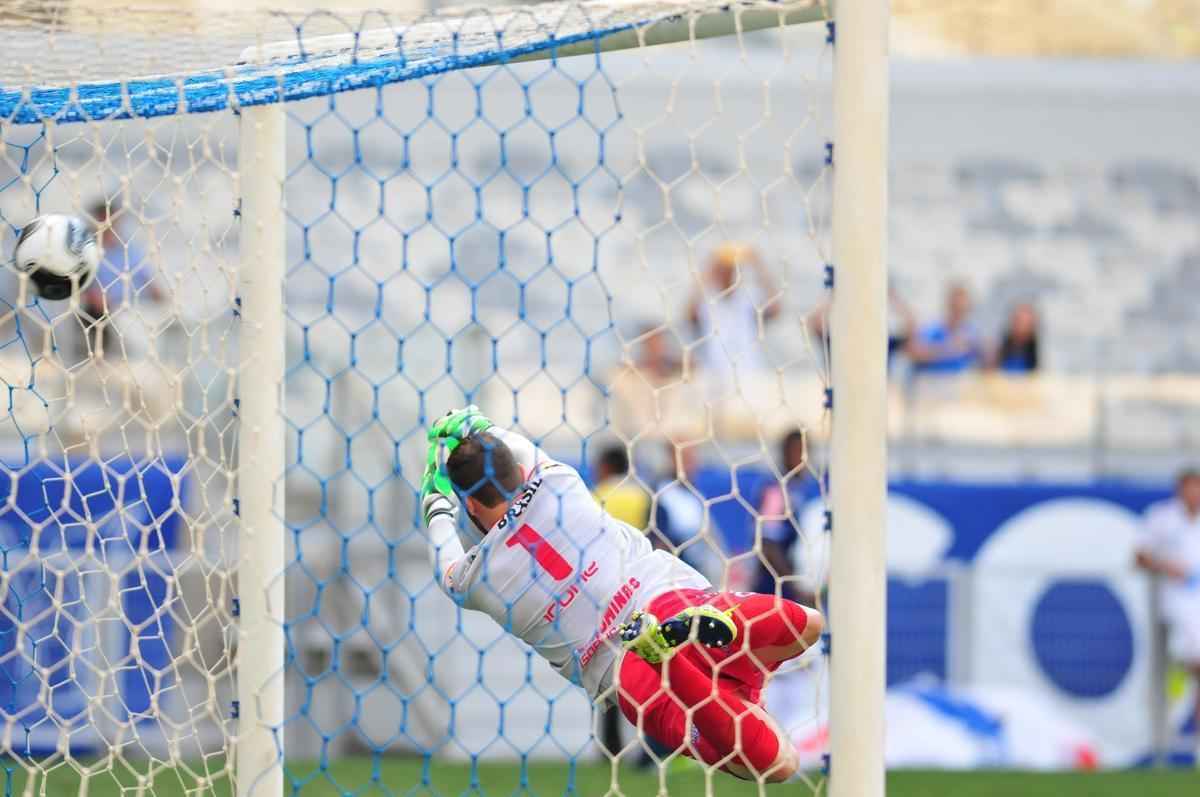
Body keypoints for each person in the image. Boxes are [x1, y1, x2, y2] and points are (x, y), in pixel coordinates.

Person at [419, 407, 822, 781]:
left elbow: (447, 568)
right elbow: (520, 452)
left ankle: (668, 662)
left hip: (624, 669)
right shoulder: (557, 481)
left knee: (777, 764)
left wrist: (435, 504)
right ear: (520, 470)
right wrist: (481, 426)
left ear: (469, 504)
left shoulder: (475, 580)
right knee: (809, 626)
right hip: (667, 598)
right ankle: (711, 635)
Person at [1134, 468, 1200, 749]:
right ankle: (1177, 703)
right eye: (1190, 487)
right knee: (1190, 662)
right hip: (1177, 602)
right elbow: (1139, 555)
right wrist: (1166, 567)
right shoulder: (1162, 517)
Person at [79, 199, 163, 358]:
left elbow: (150, 282)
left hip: (135, 310)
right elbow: (79, 287)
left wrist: (161, 298)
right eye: (103, 220)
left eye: (112, 220)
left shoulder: (130, 249)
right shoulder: (86, 252)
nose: (108, 225)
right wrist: (93, 297)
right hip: (104, 312)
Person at [686, 242, 780, 384]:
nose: (727, 275)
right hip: (714, 377)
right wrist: (708, 268)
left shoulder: (749, 298)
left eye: (731, 270)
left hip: (749, 375)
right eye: (723, 270)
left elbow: (776, 309)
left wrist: (758, 265)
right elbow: (688, 314)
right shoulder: (707, 302)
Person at [747, 430, 815, 605]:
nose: (801, 457)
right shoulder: (776, 490)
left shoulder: (805, 489)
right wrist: (794, 585)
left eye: (805, 452)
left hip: (796, 584)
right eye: (796, 451)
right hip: (775, 587)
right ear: (785, 453)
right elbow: (767, 544)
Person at [905, 282, 984, 373]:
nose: (959, 312)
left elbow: (984, 358)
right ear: (949, 305)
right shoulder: (933, 329)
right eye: (956, 307)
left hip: (960, 381)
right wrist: (950, 348)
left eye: (963, 309)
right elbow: (914, 352)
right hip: (931, 380)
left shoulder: (971, 331)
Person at [990, 302, 1039, 373]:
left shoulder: (1037, 349)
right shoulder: (1000, 346)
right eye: (1019, 321)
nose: (1021, 327)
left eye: (1026, 323)